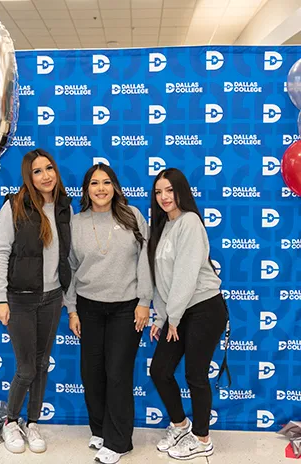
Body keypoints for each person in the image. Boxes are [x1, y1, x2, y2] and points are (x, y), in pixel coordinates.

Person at [65, 163, 152, 464]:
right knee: (92, 373)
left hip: (126, 308)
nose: (100, 189)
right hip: (88, 307)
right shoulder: (76, 223)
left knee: (117, 374)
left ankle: (119, 442)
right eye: (94, 184)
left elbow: (147, 260)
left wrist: (145, 301)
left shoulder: (132, 216)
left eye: (106, 182)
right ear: (86, 190)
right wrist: (72, 309)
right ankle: (100, 430)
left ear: (115, 186)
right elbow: (71, 269)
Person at [0, 148, 72, 454]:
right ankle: (11, 421)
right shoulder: (15, 206)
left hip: (52, 298)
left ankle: (32, 421)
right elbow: (1, 254)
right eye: (37, 171)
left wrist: (68, 297)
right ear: (28, 175)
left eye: (49, 168)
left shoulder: (65, 207)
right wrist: (1, 298)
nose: (45, 176)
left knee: (41, 364)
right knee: (26, 368)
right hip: (21, 299)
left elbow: (69, 257)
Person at [147, 168, 228, 460]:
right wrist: (161, 318)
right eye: (159, 192)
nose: (164, 197)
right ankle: (181, 424)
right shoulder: (163, 226)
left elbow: (185, 275)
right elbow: (161, 279)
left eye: (170, 190)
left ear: (181, 191)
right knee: (160, 370)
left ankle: (203, 439)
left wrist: (174, 318)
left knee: (195, 375)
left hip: (204, 308)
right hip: (178, 312)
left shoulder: (190, 222)